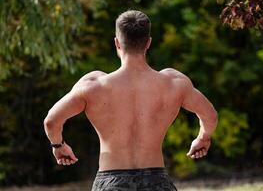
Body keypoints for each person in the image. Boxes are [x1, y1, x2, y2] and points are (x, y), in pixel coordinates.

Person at [43, 10, 218, 191]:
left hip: (111, 183)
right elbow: (210, 115)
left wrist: (59, 145)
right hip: (156, 182)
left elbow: (51, 121)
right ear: (148, 43)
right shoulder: (174, 83)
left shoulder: (93, 85)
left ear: (117, 43)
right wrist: (203, 138)